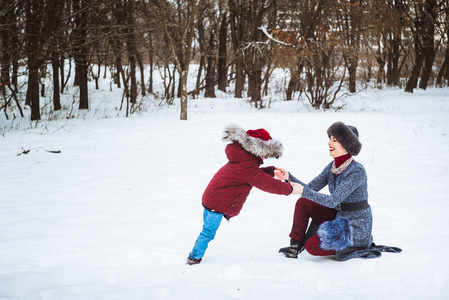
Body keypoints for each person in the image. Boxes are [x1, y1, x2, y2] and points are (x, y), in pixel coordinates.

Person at [276, 122, 401, 261]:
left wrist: (304, 190)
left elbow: (333, 200)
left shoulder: (357, 171)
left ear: (347, 144)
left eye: (334, 140)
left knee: (312, 247)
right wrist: (288, 177)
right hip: (339, 214)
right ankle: (295, 246)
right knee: (303, 202)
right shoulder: (332, 167)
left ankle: (353, 246)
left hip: (354, 225)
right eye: (330, 138)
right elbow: (310, 188)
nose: (329, 143)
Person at [187, 124, 302, 265]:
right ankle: (194, 257)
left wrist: (271, 171)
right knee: (208, 232)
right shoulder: (246, 166)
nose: (265, 157)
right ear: (255, 149)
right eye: (264, 153)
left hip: (212, 198)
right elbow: (265, 183)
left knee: (206, 231)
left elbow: (254, 175)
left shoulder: (244, 160)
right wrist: (290, 189)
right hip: (215, 203)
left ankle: (194, 255)